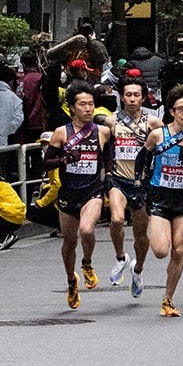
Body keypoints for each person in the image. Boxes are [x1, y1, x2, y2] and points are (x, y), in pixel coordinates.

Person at [43, 81, 112, 309]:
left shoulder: (101, 132)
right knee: (69, 243)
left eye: (91, 104)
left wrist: (109, 179)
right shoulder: (62, 133)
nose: (88, 109)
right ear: (72, 107)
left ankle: (87, 262)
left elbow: (108, 158)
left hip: (92, 192)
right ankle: (71, 281)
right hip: (68, 195)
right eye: (82, 104)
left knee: (87, 230)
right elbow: (46, 162)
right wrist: (64, 159)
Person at [140, 86, 183, 317]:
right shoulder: (159, 135)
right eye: (180, 109)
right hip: (159, 195)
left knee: (178, 250)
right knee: (160, 250)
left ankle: (168, 299)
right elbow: (143, 157)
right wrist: (141, 185)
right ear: (171, 111)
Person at [103, 77, 163, 297]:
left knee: (140, 235)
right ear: (121, 96)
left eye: (136, 95)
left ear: (143, 96)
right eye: (128, 94)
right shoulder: (111, 121)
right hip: (119, 179)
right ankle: (121, 258)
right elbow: (103, 146)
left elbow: (164, 146)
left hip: (142, 184)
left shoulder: (153, 122)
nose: (132, 99)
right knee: (117, 218)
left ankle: (137, 270)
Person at [16, 50, 46, 145]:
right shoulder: (44, 78)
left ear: (23, 64)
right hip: (43, 123)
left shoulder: (22, 81)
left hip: (27, 125)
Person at [0, 179, 26, 250]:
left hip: (9, 216)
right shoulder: (3, 182)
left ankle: (4, 237)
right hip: (15, 215)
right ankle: (5, 234)